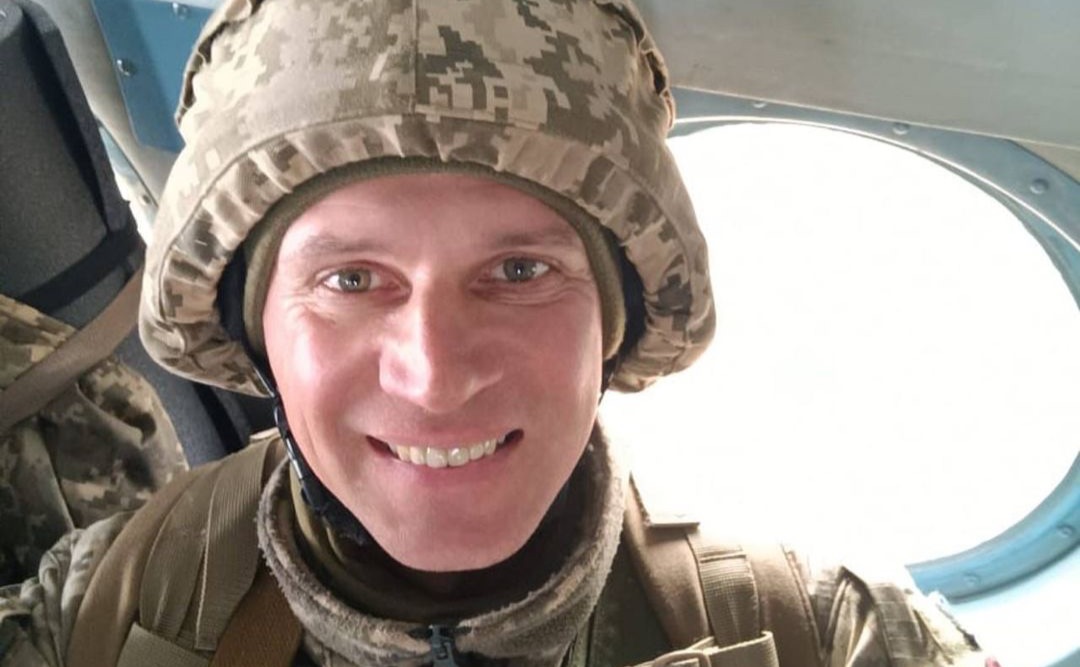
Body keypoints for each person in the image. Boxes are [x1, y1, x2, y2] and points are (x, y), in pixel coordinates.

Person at [1, 0, 993, 665]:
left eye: (520, 271)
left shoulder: (827, 635)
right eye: (352, 280)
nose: (435, 376)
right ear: (254, 330)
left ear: (614, 323)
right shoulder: (99, 613)